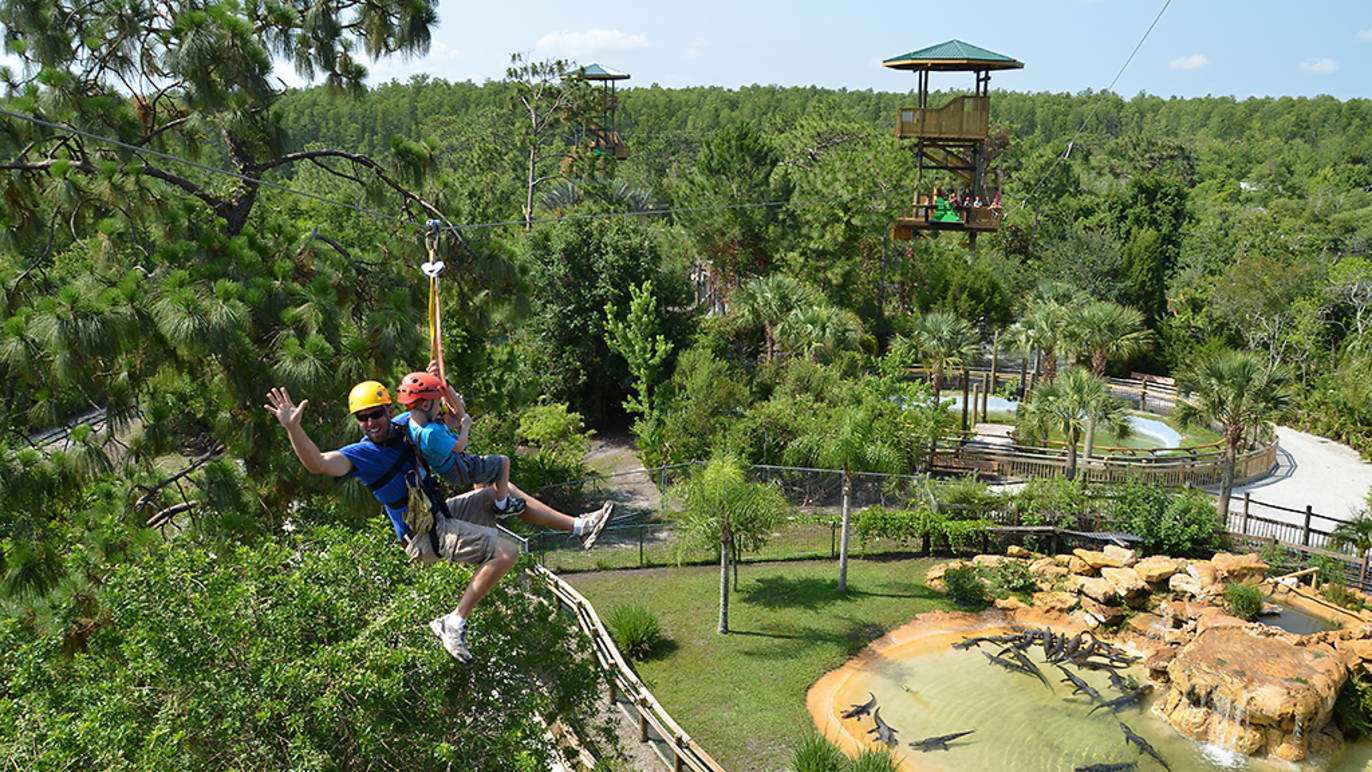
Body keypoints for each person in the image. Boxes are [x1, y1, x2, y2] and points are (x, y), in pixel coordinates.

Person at [265, 381, 613, 664]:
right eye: (363, 419)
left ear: (389, 411)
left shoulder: (403, 427)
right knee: (507, 552)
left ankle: (581, 527)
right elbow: (319, 463)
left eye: (375, 415)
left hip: (439, 514)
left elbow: (432, 414)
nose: (370, 423)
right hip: (424, 535)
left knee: (498, 492)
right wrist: (293, 429)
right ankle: (454, 622)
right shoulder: (363, 454)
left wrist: (436, 384)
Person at [396, 369, 523, 516]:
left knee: (480, 469)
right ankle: (502, 506)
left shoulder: (414, 424)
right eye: (438, 403)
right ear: (425, 405)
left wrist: (444, 384)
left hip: (450, 467)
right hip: (456, 469)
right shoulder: (432, 434)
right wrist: (466, 427)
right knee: (503, 463)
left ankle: (483, 502)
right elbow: (460, 445)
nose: (440, 407)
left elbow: (456, 416)